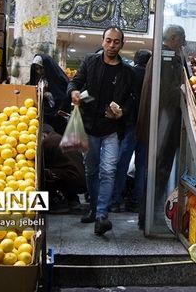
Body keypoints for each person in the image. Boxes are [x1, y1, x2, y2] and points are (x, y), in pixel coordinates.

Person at [67, 26, 136, 235]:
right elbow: (75, 82)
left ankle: (101, 216)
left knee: (108, 171)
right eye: (108, 41)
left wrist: (121, 112)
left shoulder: (127, 72)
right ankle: (94, 208)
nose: (111, 45)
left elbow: (131, 100)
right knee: (92, 170)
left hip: (111, 130)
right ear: (102, 41)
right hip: (89, 127)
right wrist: (74, 92)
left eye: (116, 42)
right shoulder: (90, 62)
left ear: (122, 44)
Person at [137, 25, 187, 230]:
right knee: (158, 171)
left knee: (157, 171)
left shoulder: (158, 57)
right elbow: (167, 92)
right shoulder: (165, 58)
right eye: (181, 41)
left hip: (160, 124)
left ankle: (149, 214)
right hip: (163, 125)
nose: (182, 46)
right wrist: (185, 90)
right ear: (173, 38)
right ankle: (148, 216)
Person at [110, 49, 152, 213]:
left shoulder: (129, 72)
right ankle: (136, 201)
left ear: (135, 60)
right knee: (142, 165)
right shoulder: (152, 77)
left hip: (130, 124)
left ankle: (115, 200)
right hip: (146, 126)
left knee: (122, 162)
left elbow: (120, 96)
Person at [42, 124, 86, 213]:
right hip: (82, 179)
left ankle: (51, 203)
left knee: (43, 173)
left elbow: (43, 165)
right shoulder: (59, 138)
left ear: (43, 134)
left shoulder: (48, 141)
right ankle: (72, 200)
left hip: (73, 179)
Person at [27, 54, 71, 134]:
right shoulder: (40, 79)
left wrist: (46, 94)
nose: (39, 71)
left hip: (58, 120)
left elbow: (62, 99)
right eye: (37, 69)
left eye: (42, 68)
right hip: (44, 117)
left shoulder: (60, 80)